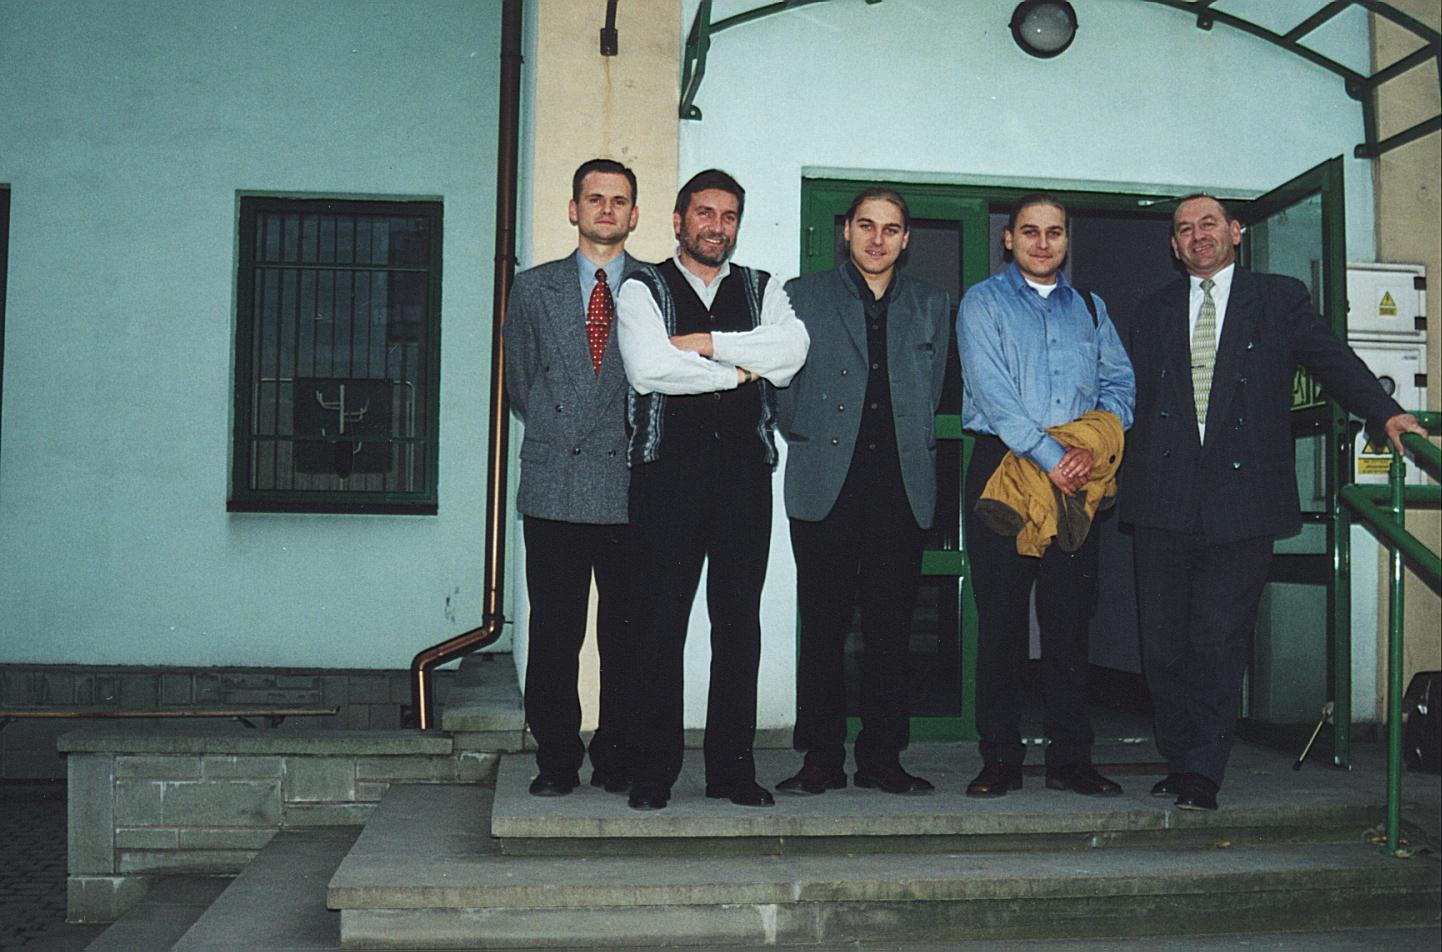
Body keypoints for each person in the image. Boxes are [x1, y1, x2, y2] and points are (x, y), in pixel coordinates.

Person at [1123, 194, 1427, 811]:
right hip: (1162, 499)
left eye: (1209, 223)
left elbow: (1332, 360)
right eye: (1185, 229)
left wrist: (1385, 412)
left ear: (1236, 231)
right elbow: (1127, 394)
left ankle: (1203, 769)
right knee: (1163, 648)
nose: (1198, 235)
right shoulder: (1153, 310)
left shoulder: (1278, 298)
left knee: (1217, 640)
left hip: (1242, 499)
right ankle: (1180, 755)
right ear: (1174, 246)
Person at [615, 169, 810, 811]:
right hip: (665, 476)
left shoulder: (763, 287)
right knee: (659, 624)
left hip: (744, 479)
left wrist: (706, 346)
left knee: (738, 625)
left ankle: (732, 772)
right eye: (704, 213)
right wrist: (738, 371)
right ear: (678, 220)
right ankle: (653, 772)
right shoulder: (642, 286)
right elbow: (649, 369)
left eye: (728, 216)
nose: (715, 226)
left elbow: (792, 352)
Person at [956, 193, 1135, 799]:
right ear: (1008, 239)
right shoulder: (982, 303)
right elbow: (994, 393)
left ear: (1065, 240)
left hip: (1079, 478)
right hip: (1004, 469)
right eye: (1029, 231)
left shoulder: (1090, 307)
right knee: (1002, 622)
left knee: (1069, 622)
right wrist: (1052, 455)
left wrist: (1091, 445)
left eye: (1053, 232)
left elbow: (1121, 385)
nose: (1041, 242)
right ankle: (1000, 759)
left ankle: (1071, 760)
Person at [773, 187, 950, 796]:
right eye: (866, 226)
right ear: (846, 230)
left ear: (906, 239)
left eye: (891, 229)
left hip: (900, 489)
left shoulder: (931, 303)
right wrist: (811, 434)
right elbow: (784, 386)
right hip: (826, 484)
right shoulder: (802, 296)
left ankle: (882, 759)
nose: (878, 239)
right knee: (822, 629)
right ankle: (820, 758)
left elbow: (930, 391)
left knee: (890, 631)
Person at [503, 158, 640, 797]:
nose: (606, 209)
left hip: (631, 485)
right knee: (555, 634)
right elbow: (521, 383)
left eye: (618, 200)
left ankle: (617, 756)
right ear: (573, 208)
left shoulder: (654, 287)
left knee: (626, 634)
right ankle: (556, 758)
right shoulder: (534, 289)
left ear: (634, 215)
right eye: (595, 198)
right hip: (555, 480)